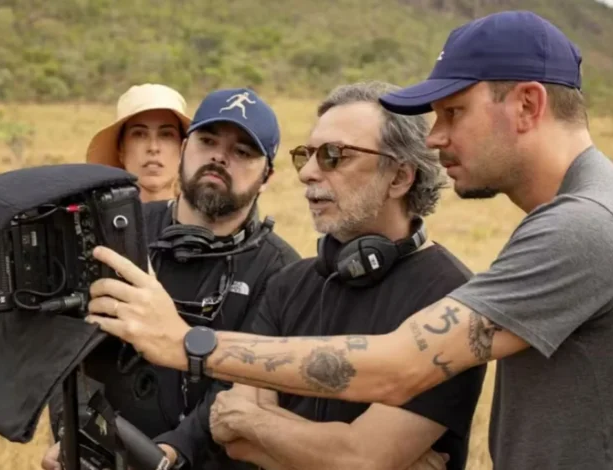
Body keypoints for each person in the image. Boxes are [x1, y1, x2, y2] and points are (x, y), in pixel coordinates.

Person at [83, 10, 613, 470]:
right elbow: (233, 428)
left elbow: (395, 370)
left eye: (452, 112)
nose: (437, 138)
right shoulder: (577, 212)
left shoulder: (587, 224)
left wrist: (187, 342)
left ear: (526, 105)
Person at [155, 81, 486, 470]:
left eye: (333, 156)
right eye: (306, 155)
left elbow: (361, 457)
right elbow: (232, 435)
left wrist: (258, 422)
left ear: (399, 178)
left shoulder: (453, 300)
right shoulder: (289, 282)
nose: (308, 174)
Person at [41, 88, 300, 470]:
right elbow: (65, 346)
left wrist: (171, 453)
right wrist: (74, 434)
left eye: (242, 152)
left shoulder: (282, 272)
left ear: (267, 176)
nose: (219, 157)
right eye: (208, 141)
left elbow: (244, 386)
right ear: (185, 149)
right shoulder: (118, 231)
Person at [86, 83, 191, 202]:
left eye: (166, 134)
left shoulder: (202, 218)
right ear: (121, 149)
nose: (153, 147)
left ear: (183, 148)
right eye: (139, 134)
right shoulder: (98, 219)